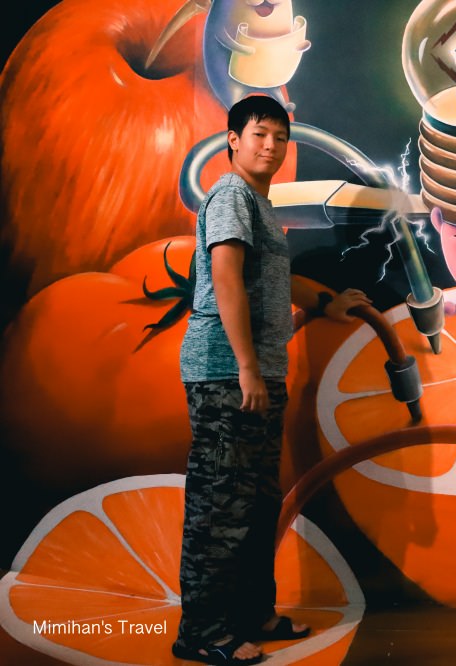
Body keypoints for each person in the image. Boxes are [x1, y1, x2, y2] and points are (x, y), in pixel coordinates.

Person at [174, 94, 370, 664]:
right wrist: (246, 367)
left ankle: (253, 613)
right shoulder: (232, 195)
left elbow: (273, 278)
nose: (272, 146)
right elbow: (226, 278)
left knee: (256, 504)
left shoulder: (258, 203)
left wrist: (328, 303)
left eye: (280, 138)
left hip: (256, 373)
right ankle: (202, 633)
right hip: (226, 373)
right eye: (259, 134)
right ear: (233, 140)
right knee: (221, 507)